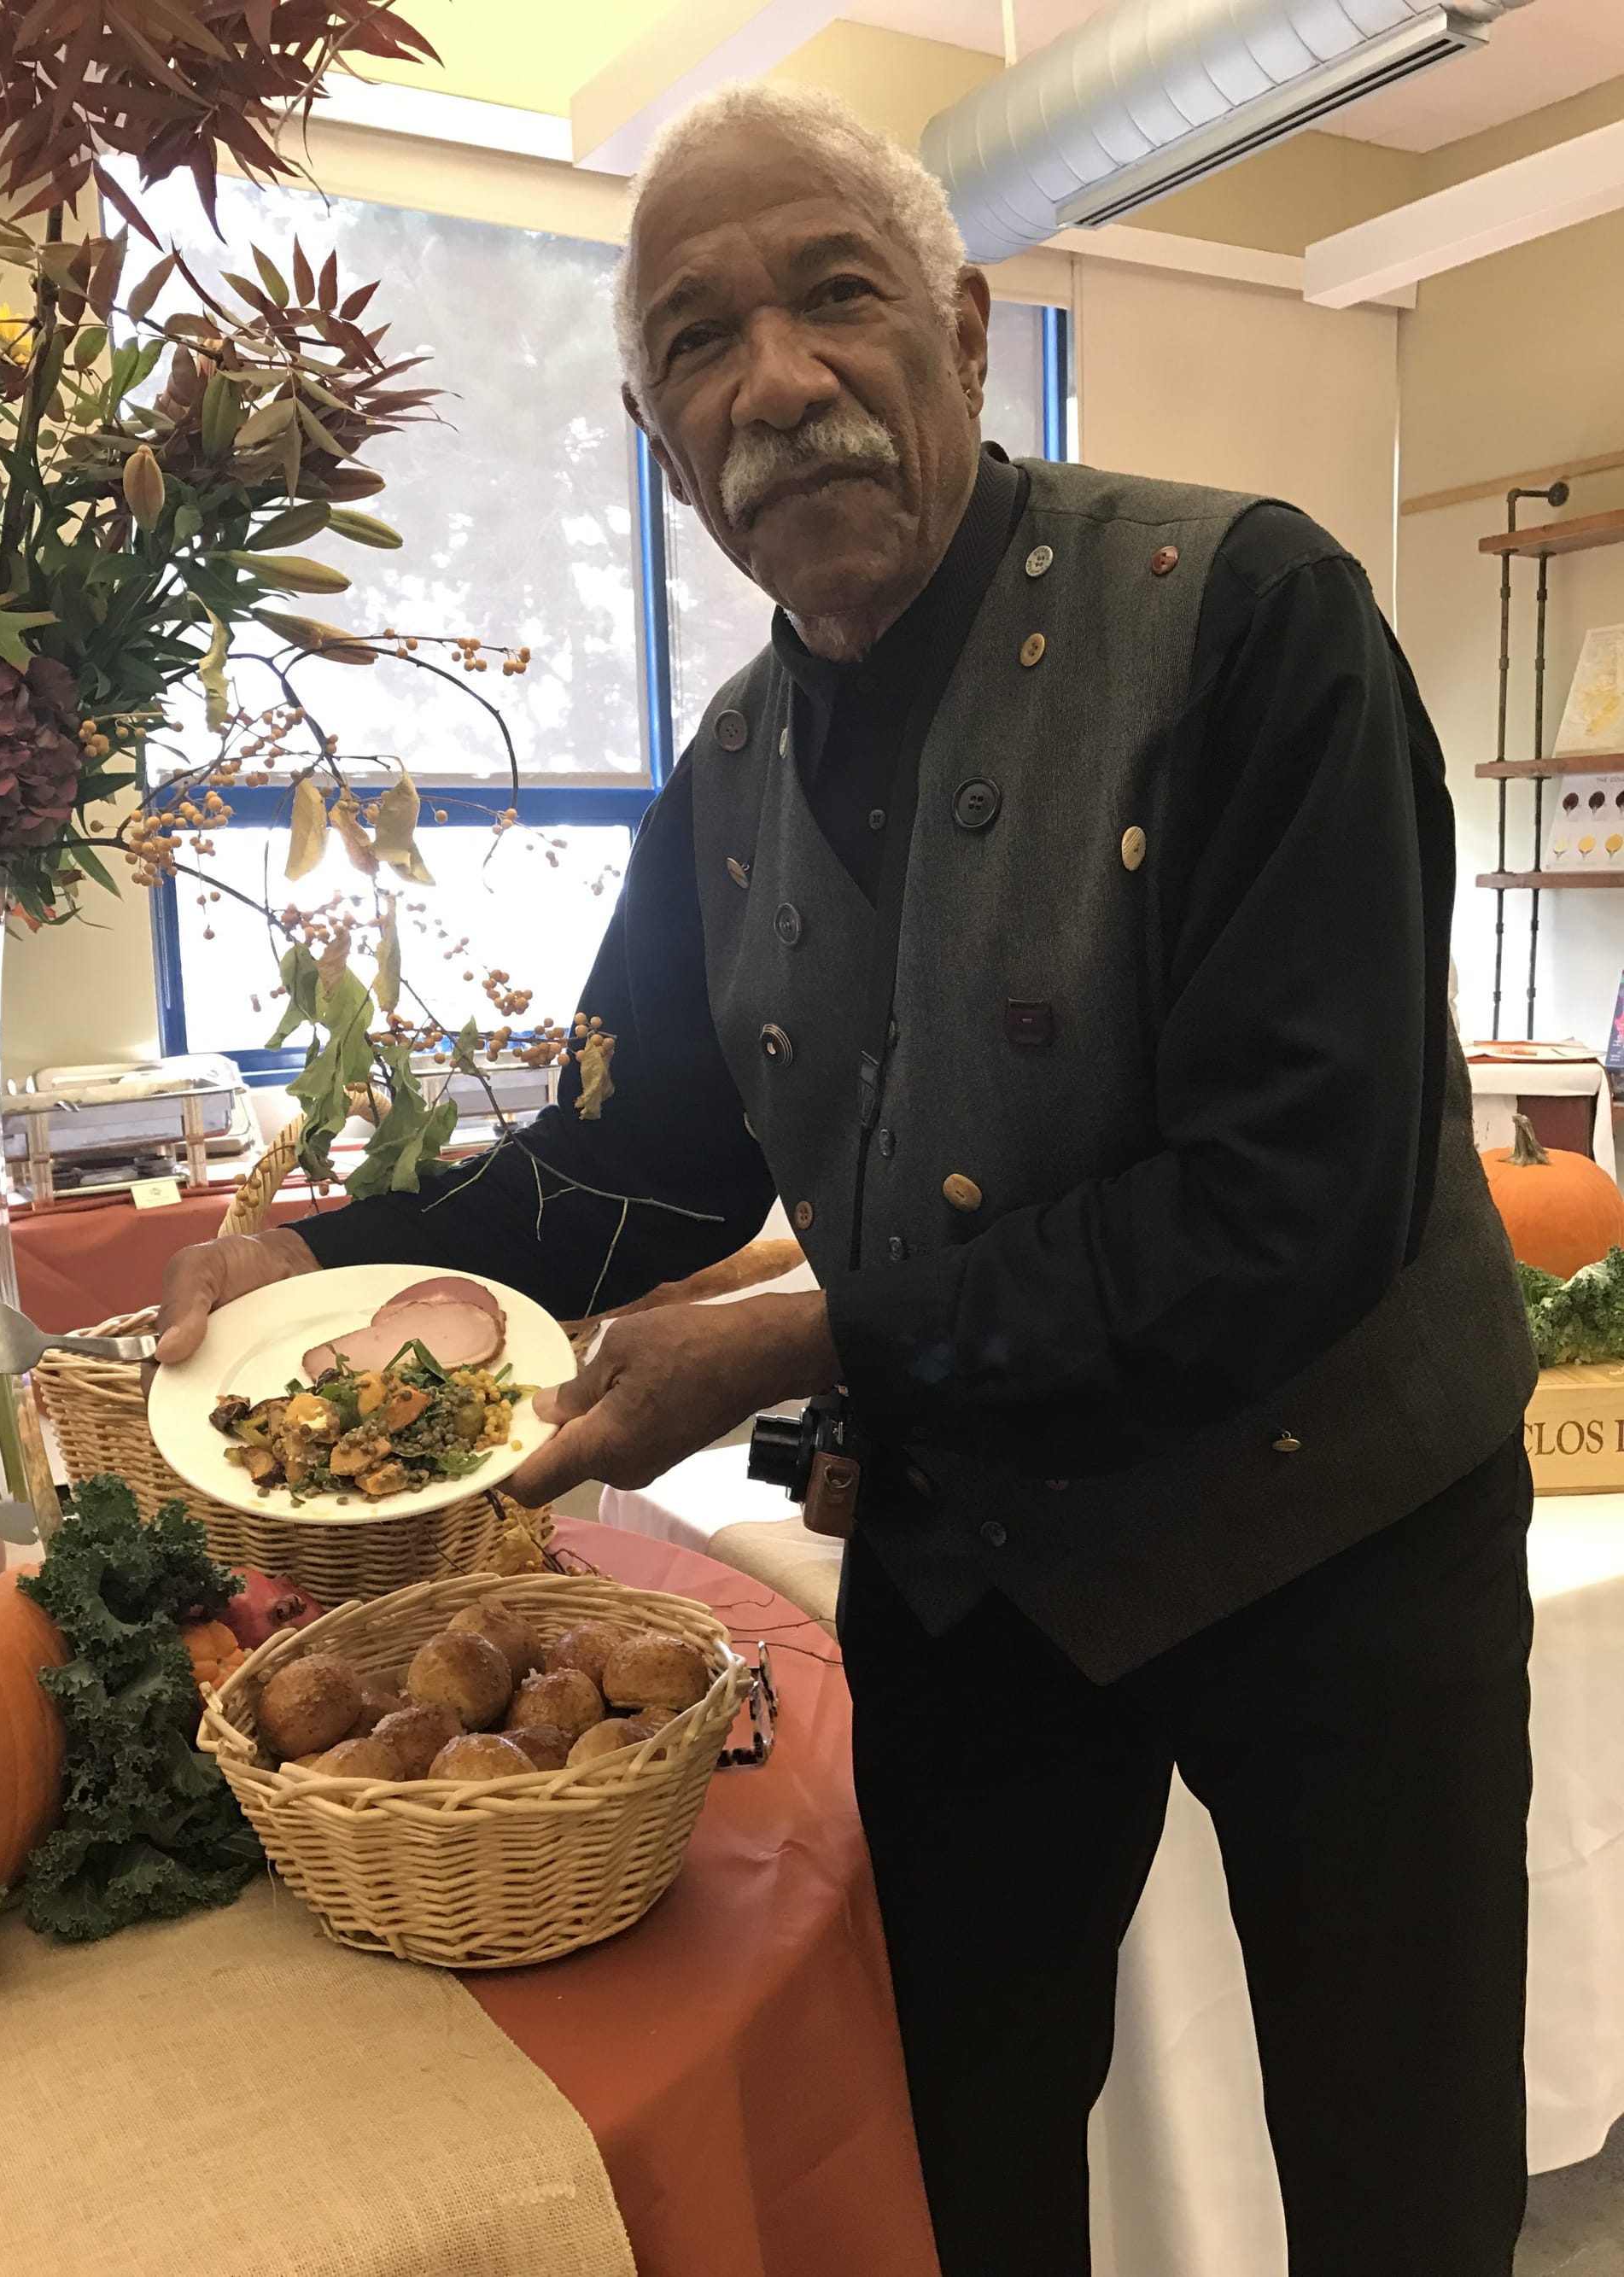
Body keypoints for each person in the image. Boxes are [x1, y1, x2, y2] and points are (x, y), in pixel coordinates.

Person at [155, 83, 1538, 2276]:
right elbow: (630, 1166)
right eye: (698, 342)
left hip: (1338, 1529)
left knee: (1396, 2174)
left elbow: (1293, 1207)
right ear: (654, 429)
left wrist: (816, 1339)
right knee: (963, 2141)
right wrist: (309, 1258)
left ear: (968, 332)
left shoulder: (1250, 619)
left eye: (833, 295)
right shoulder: (717, 783)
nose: (774, 378)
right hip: (983, 1558)